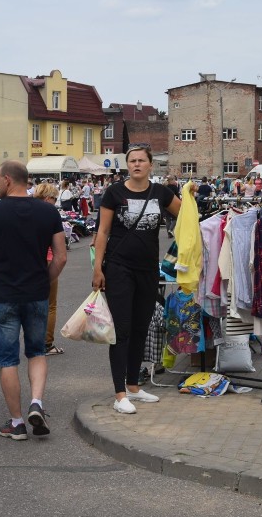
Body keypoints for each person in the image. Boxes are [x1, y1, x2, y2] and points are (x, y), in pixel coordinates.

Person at [0, 160, 67, 440]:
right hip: (36, 294)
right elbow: (60, 257)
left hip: (5, 295)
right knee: (36, 352)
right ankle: (37, 402)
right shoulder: (48, 212)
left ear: (9, 180)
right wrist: (43, 280)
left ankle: (16, 423)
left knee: (7, 359)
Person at [92, 144, 181, 414]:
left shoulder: (160, 192)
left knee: (142, 327)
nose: (137, 164)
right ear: (127, 165)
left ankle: (133, 385)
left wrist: (188, 197)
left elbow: (186, 216)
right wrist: (98, 269)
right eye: (132, 161)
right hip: (118, 268)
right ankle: (120, 394)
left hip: (148, 269)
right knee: (122, 330)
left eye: (142, 160)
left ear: (151, 165)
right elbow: (103, 231)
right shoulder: (115, 192)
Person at [33, 183, 63, 356]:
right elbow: (59, 251)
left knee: (32, 303)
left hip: (30, 263)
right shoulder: (51, 214)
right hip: (48, 260)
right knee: (50, 305)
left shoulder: (26, 212)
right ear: (47, 198)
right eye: (54, 198)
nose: (55, 202)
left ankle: (34, 341)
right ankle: (47, 344)